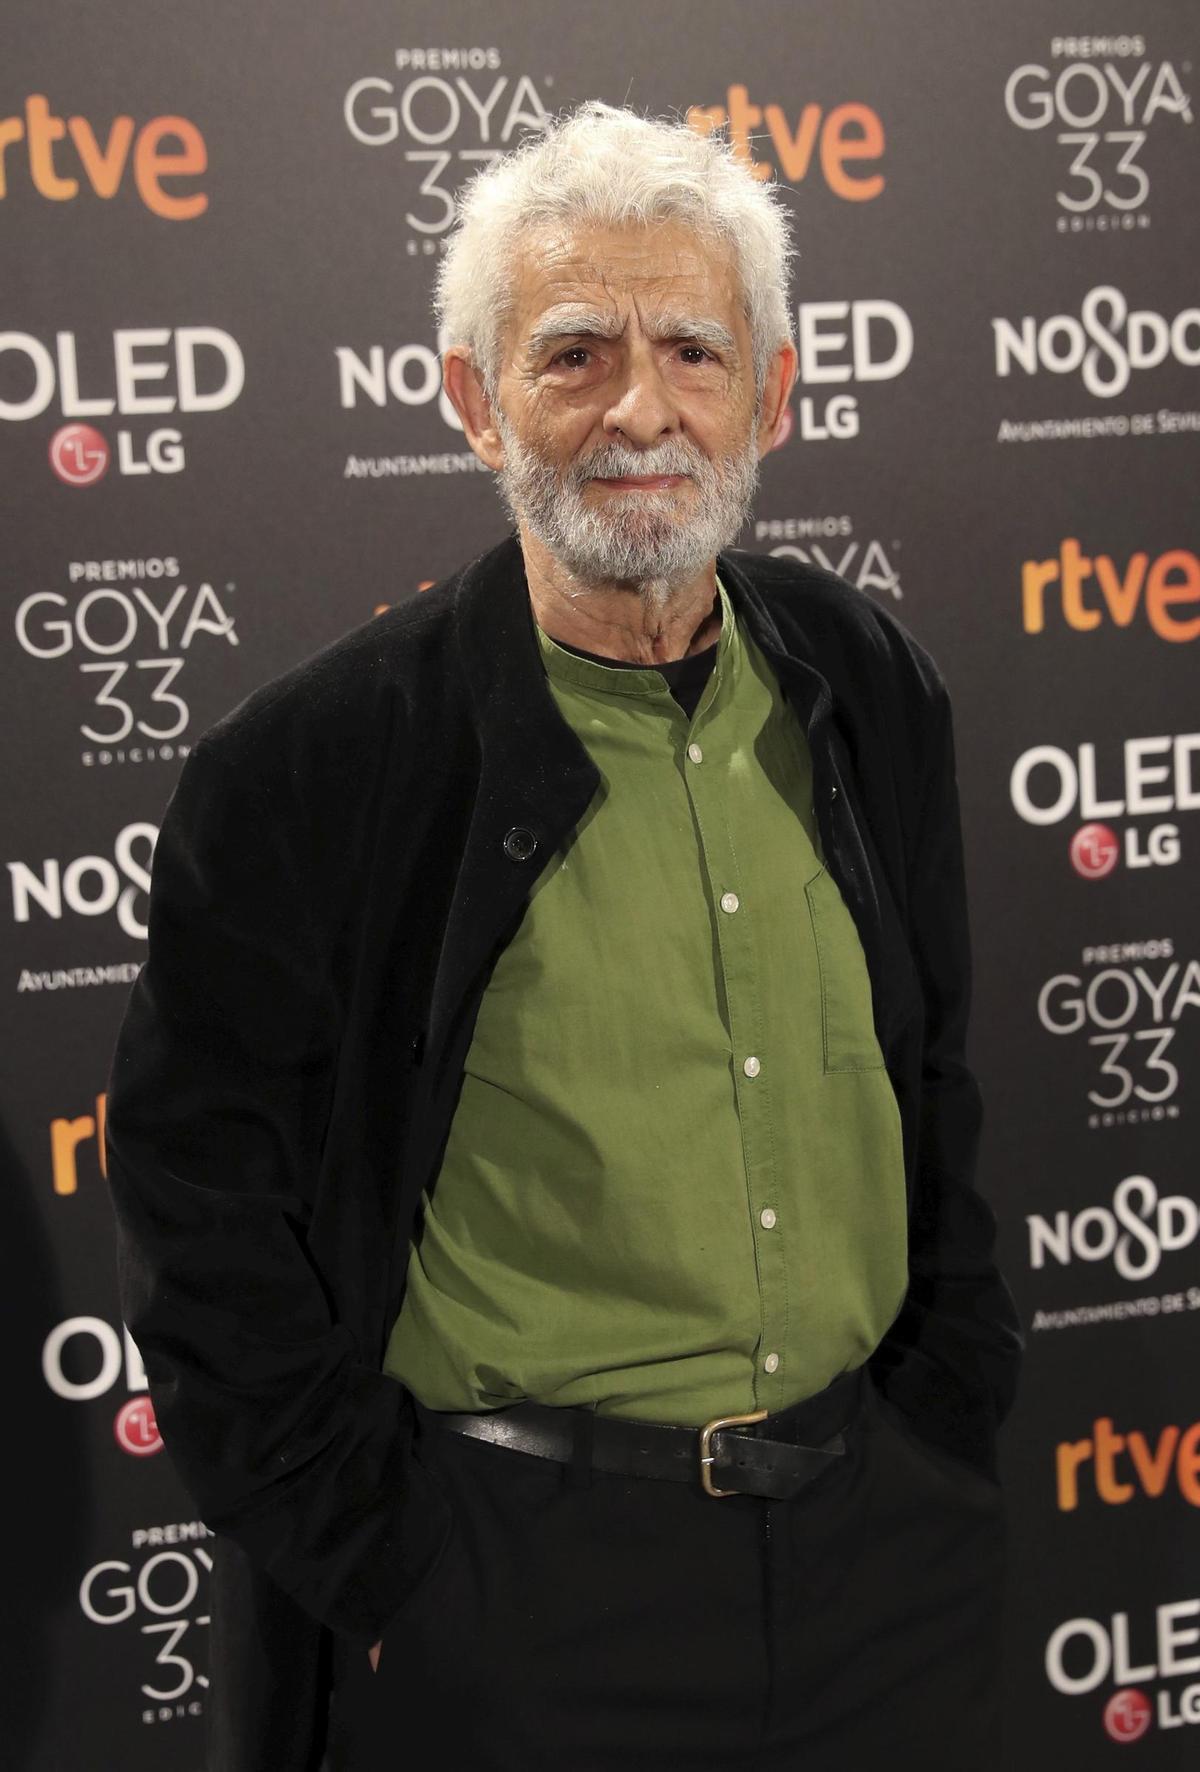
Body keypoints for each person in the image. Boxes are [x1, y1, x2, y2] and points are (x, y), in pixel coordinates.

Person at [104, 100, 1023, 1772]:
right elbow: (201, 1219)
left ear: (774, 393)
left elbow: (934, 1079)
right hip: (514, 1602)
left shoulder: (872, 688)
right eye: (576, 354)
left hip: (884, 1567)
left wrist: (946, 1423)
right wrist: (395, 1567)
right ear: (476, 401)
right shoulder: (313, 769)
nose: (641, 409)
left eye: (693, 351)